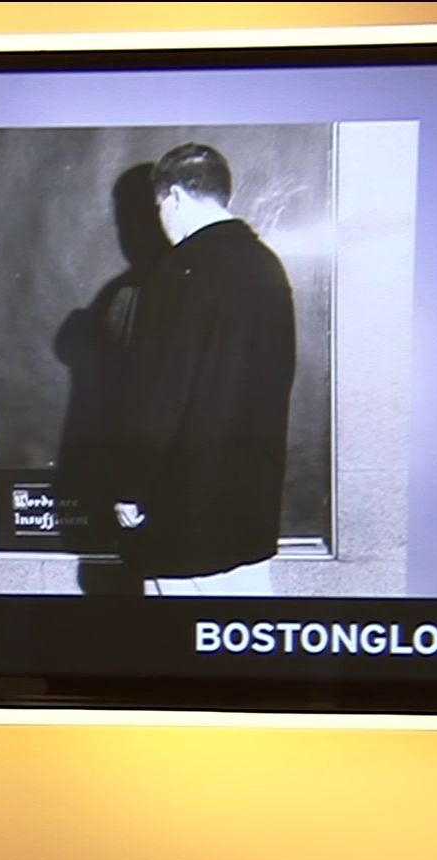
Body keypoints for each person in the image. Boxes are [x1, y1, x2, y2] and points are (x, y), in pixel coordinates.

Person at [111, 144, 297, 595]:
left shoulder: (176, 273)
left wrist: (131, 486)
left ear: (174, 197)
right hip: (251, 512)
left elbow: (157, 398)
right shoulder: (267, 266)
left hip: (184, 515)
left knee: (177, 636)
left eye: (158, 206)